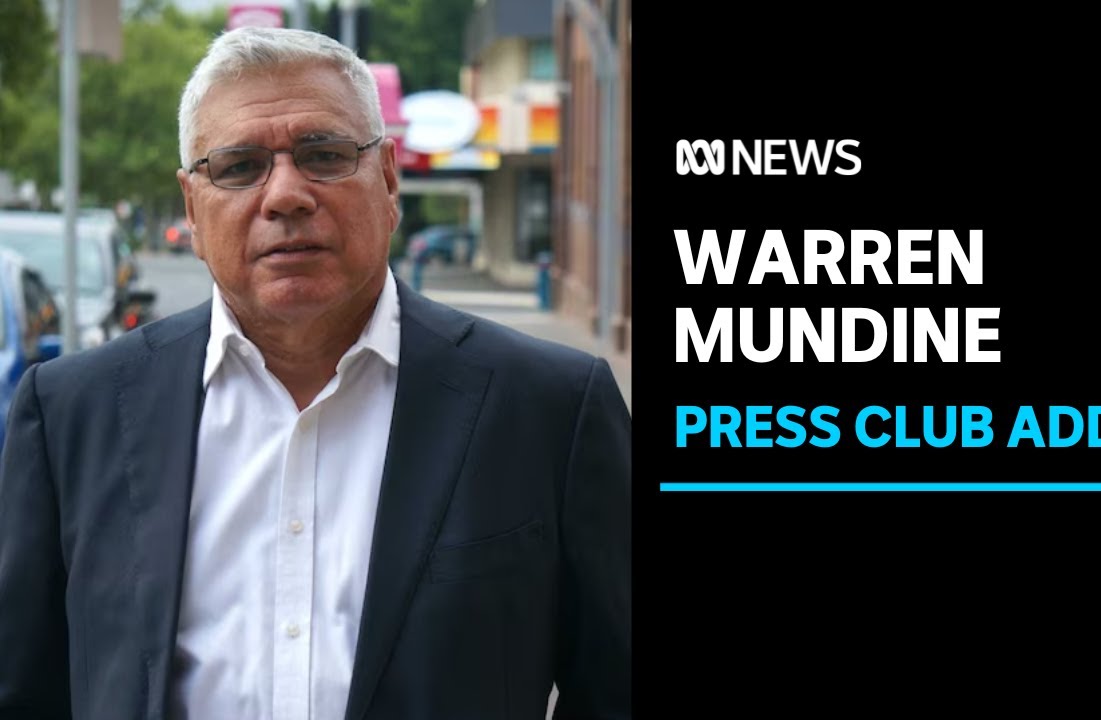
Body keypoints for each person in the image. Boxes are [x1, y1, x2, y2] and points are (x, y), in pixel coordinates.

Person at [0, 26, 631, 720]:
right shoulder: (70, 415)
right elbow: (25, 691)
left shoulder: (550, 410)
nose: (285, 195)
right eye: (239, 167)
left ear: (388, 179)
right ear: (191, 206)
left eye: (324, 155)